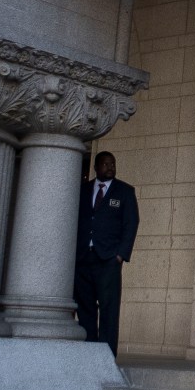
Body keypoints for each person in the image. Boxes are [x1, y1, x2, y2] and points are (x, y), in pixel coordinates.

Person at [74, 150, 138, 355]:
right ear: (96, 167)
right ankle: (89, 354)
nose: (111, 167)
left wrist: (120, 254)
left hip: (109, 259)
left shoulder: (124, 191)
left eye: (113, 164)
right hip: (84, 257)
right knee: (85, 307)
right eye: (106, 164)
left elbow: (131, 223)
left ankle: (107, 355)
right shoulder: (82, 190)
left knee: (109, 309)